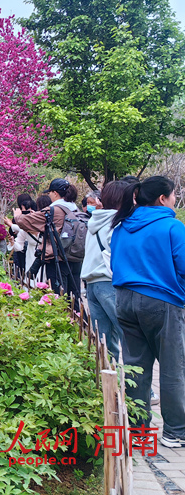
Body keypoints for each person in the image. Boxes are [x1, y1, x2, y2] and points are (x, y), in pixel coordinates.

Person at [110, 176, 185, 447]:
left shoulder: (121, 226)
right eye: (174, 195)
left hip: (124, 301)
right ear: (162, 199)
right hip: (162, 302)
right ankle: (175, 432)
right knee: (173, 367)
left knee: (135, 367)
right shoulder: (172, 227)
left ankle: (140, 433)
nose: (175, 199)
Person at [14, 179, 80, 306]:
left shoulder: (54, 210)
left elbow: (26, 222)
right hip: (76, 258)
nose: (49, 196)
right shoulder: (75, 209)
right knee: (74, 298)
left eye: (50, 193)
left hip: (57, 260)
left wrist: (18, 216)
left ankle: (61, 323)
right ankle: (78, 323)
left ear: (55, 193)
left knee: (58, 298)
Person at [81, 181, 126, 362]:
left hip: (92, 284)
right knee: (129, 336)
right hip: (109, 282)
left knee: (104, 339)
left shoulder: (95, 219)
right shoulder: (118, 223)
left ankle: (108, 380)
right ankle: (140, 388)